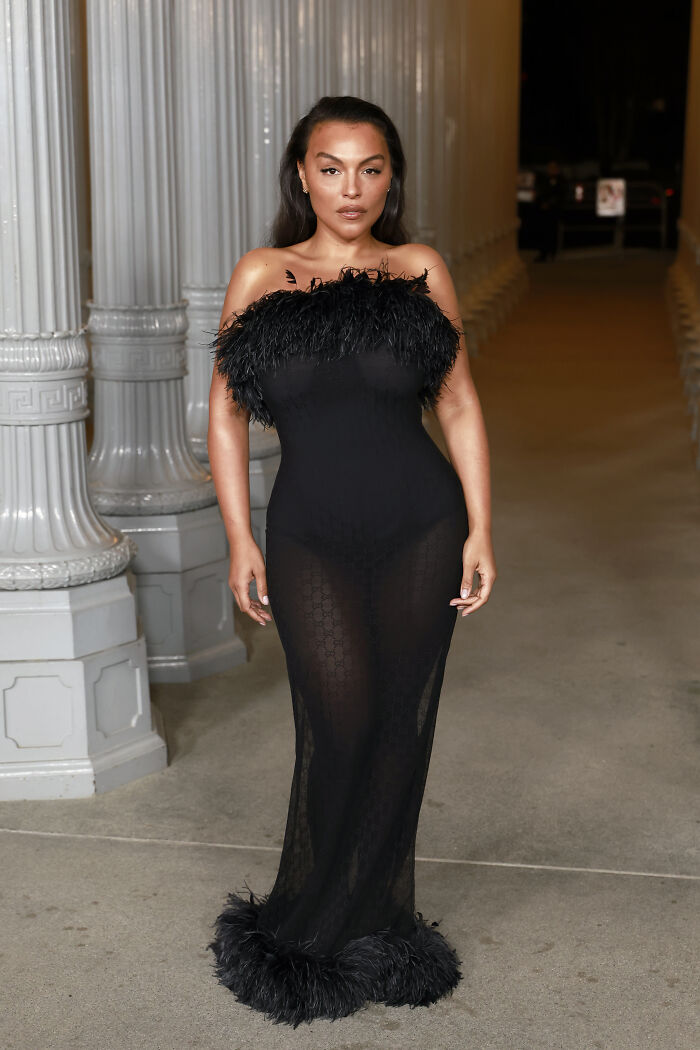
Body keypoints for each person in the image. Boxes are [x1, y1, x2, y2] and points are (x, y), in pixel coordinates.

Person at [205, 94, 496, 1027]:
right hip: (308, 536)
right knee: (343, 718)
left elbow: (456, 404)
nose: (351, 188)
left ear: (391, 176)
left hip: (420, 525)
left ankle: (372, 926)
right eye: (331, 167)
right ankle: (316, 922)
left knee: (400, 726)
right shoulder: (264, 274)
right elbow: (224, 412)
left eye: (370, 168)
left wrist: (483, 527)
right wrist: (238, 537)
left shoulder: (417, 270)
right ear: (301, 174)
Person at [534, 159, 566, 261]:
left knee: (552, 231)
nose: (550, 170)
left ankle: (552, 252)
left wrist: (550, 203)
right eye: (549, 168)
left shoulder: (561, 180)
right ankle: (543, 253)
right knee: (543, 231)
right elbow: (540, 192)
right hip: (544, 210)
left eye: (553, 168)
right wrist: (542, 202)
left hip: (554, 210)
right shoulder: (545, 180)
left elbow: (561, 194)